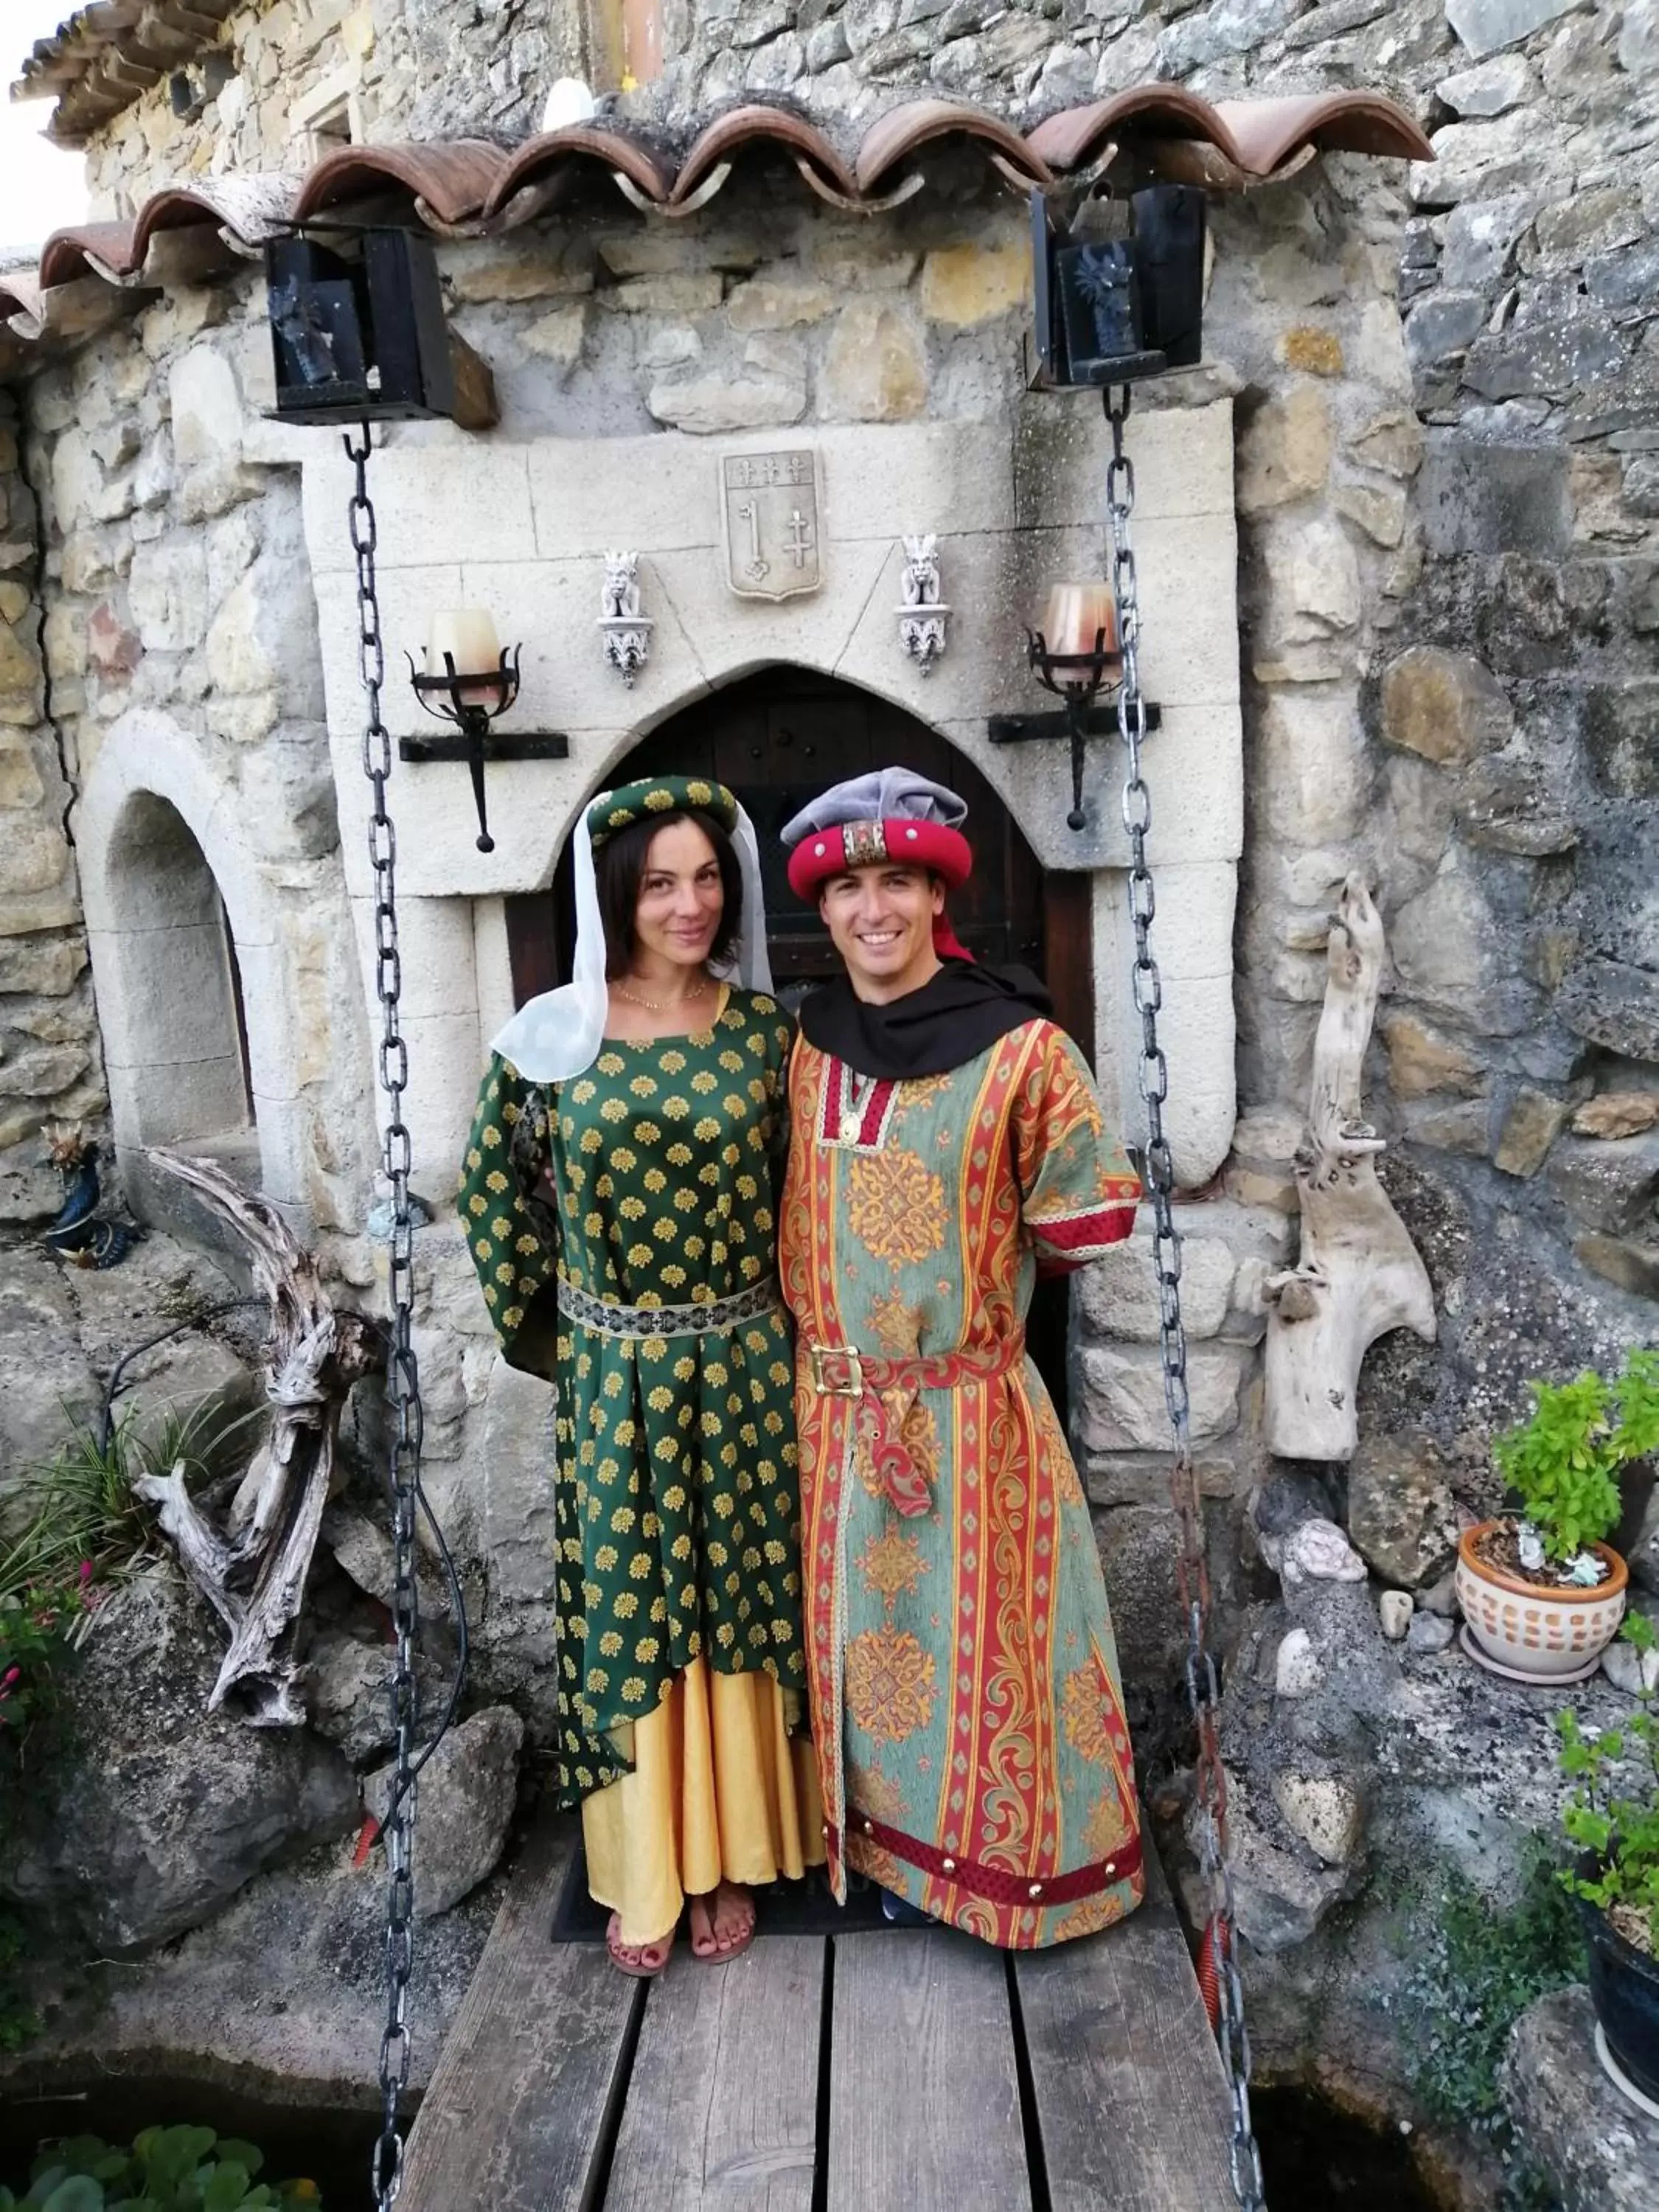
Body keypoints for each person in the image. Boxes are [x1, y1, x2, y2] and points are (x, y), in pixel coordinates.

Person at [459, 775, 821, 1978]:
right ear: (618, 893)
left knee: (741, 1596)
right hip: (616, 1378)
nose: (690, 903)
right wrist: (566, 1342)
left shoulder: (769, 1039)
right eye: (661, 881)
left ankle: (731, 1855)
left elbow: (809, 1207)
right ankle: (651, 1863)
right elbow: (492, 1196)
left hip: (747, 1368)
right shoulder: (549, 1039)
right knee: (629, 1608)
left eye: (708, 877)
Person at [777, 768, 1145, 1948]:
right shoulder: (800, 1044)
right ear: (821, 910)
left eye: (897, 882)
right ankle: (877, 1854)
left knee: (987, 1655)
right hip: (828, 1422)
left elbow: (1083, 1221)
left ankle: (997, 1882)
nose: (871, 909)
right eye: (846, 888)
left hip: (969, 1419)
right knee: (857, 1658)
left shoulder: (1025, 1050)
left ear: (937, 896)